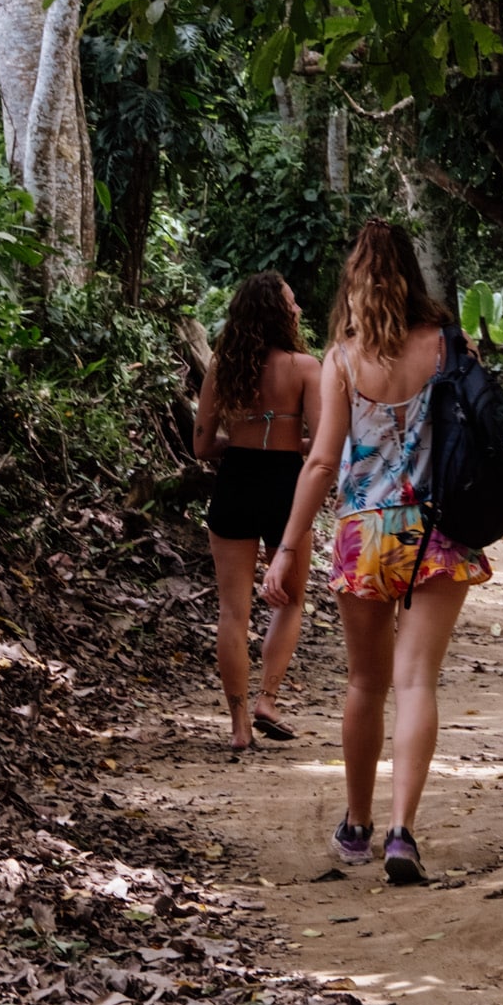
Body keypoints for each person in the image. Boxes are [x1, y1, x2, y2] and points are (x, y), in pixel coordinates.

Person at [263, 219, 490, 883]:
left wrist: (286, 547)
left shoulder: (341, 359)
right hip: (439, 529)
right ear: (413, 275)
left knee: (366, 682)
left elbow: (321, 461)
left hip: (366, 532)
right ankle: (402, 834)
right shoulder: (448, 347)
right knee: (418, 681)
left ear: (353, 280)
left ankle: (357, 826)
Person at [194, 272, 322, 755]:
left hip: (236, 483)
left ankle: (239, 724)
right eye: (292, 302)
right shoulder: (307, 368)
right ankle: (269, 698)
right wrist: (290, 439)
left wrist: (241, 440)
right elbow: (323, 442)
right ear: (276, 311)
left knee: (233, 611)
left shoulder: (221, 366)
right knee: (288, 601)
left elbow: (202, 445)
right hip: (286, 486)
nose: (298, 310)